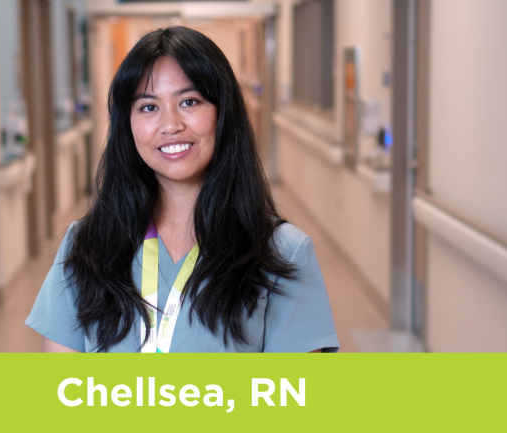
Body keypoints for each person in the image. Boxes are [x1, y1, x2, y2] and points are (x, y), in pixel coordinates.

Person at [25, 26, 339, 353]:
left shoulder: (282, 253)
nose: (170, 124)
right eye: (149, 106)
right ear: (127, 123)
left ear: (222, 114)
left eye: (189, 102)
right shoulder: (86, 247)